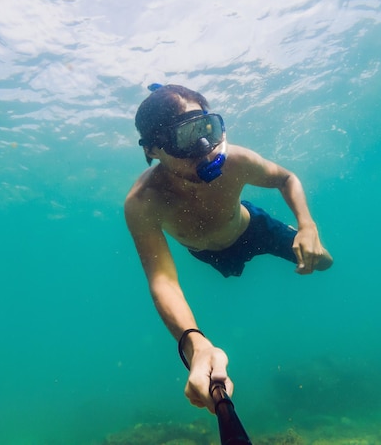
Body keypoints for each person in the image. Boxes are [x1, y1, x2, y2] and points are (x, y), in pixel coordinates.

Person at [124, 84, 333, 413]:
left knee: (323, 262)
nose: (206, 148)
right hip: (208, 254)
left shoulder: (235, 160)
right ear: (152, 149)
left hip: (253, 229)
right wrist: (195, 343)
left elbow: (286, 178)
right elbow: (162, 280)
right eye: (186, 136)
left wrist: (308, 226)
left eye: (208, 128)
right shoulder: (142, 202)